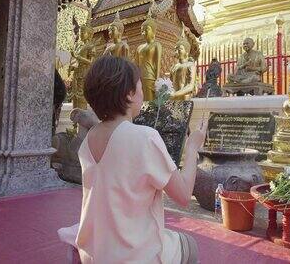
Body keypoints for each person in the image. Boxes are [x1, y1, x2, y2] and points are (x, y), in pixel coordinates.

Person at [75, 55, 206, 263]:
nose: (143, 93)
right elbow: (182, 196)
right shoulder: (144, 137)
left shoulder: (87, 140)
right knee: (190, 245)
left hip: (93, 252)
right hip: (133, 255)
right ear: (129, 93)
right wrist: (192, 149)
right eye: (140, 87)